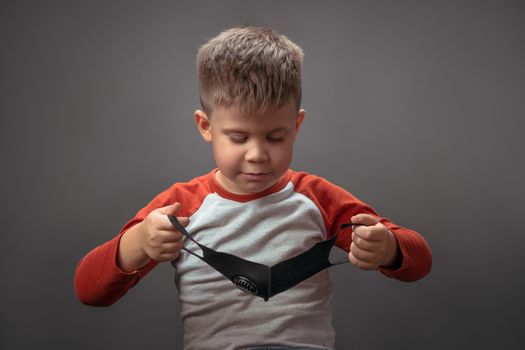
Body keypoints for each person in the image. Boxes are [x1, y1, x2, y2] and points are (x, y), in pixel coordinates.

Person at [74, 26, 432, 350]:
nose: (257, 155)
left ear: (297, 125)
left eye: (275, 137)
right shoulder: (182, 206)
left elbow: (420, 261)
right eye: (238, 137)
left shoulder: (317, 199)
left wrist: (388, 248)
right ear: (205, 126)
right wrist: (137, 244)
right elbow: (88, 290)